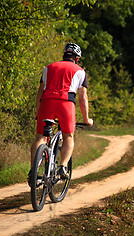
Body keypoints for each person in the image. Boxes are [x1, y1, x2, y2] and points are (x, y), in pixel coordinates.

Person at [29, 43, 93, 182]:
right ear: (77, 58)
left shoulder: (48, 68)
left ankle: (33, 172)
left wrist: (37, 112)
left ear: (64, 55)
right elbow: (82, 98)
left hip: (47, 103)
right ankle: (63, 166)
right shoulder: (80, 71)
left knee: (40, 138)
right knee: (68, 136)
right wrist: (87, 119)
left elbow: (40, 93)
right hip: (66, 104)